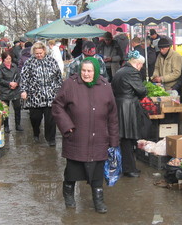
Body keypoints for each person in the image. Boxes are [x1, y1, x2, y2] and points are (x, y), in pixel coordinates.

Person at [52, 57, 119, 214]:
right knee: (72, 171)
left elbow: (113, 116)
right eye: (83, 70)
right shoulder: (70, 84)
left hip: (100, 138)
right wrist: (67, 127)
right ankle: (68, 195)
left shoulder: (105, 86)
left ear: (96, 71)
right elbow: (57, 106)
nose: (86, 74)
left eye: (89, 71)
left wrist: (114, 140)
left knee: (97, 173)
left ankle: (98, 200)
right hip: (77, 137)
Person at [111, 51, 147, 178]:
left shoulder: (120, 70)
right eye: (141, 65)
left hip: (119, 105)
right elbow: (142, 91)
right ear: (137, 64)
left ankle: (126, 167)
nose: (141, 68)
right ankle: (130, 169)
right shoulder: (132, 72)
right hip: (128, 107)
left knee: (124, 138)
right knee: (128, 138)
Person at [20, 41, 63, 145]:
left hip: (50, 95)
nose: (39, 55)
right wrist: (23, 90)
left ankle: (51, 138)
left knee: (51, 120)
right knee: (35, 118)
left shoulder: (52, 61)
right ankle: (36, 132)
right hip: (35, 96)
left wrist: (58, 89)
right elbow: (24, 78)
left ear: (44, 51)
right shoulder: (29, 63)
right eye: (37, 53)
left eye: (41, 53)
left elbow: (58, 77)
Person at [0, 51, 22, 133]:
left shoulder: (15, 66)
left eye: (10, 59)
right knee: (5, 109)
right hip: (5, 91)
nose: (8, 60)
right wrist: (9, 83)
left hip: (15, 90)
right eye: (7, 59)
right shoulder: (0, 68)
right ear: (3, 59)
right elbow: (0, 80)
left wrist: (16, 83)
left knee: (17, 108)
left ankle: (18, 124)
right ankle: (6, 125)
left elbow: (19, 76)